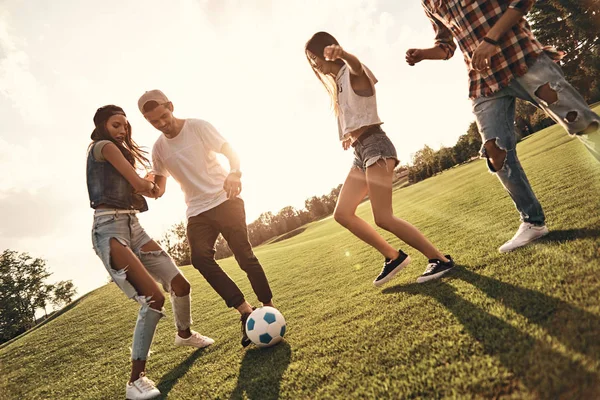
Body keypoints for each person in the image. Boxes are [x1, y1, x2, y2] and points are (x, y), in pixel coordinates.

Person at [407, 0, 600, 253]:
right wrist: (423, 54)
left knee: (581, 122)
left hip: (522, 58)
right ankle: (533, 222)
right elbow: (446, 46)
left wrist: (491, 40)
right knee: (495, 152)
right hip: (484, 80)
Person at [305, 31, 455, 285]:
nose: (314, 64)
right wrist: (348, 135)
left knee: (383, 217)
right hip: (360, 152)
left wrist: (344, 54)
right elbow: (357, 113)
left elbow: (356, 67)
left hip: (376, 146)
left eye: (314, 57)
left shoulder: (351, 71)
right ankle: (392, 256)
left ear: (326, 51)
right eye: (310, 61)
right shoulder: (338, 84)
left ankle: (439, 259)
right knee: (342, 213)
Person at [87, 105, 214, 400]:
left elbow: (149, 189)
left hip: (133, 225)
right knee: (153, 298)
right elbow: (143, 186)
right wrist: (153, 181)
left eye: (125, 127)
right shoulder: (104, 147)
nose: (122, 131)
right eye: (116, 125)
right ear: (103, 125)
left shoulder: (117, 151)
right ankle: (135, 380)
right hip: (110, 230)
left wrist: (156, 180)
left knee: (180, 284)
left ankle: (184, 334)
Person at [137, 90, 275, 347]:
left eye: (164, 116)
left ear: (171, 106)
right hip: (197, 211)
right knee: (200, 258)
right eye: (154, 122)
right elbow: (159, 189)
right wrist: (144, 186)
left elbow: (230, 151)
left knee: (244, 256)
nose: (162, 124)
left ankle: (269, 308)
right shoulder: (158, 149)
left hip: (226, 198)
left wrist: (235, 172)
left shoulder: (198, 127)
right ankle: (246, 312)